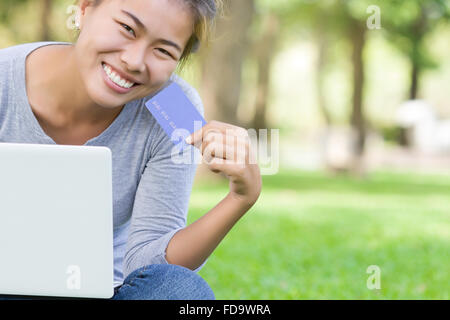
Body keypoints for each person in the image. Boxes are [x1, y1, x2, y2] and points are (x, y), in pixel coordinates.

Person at [0, 0, 262, 300]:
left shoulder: (174, 110)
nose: (135, 61)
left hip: (102, 292)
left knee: (180, 288)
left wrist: (240, 199)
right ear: (85, 8)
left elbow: (147, 266)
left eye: (163, 50)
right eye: (127, 28)